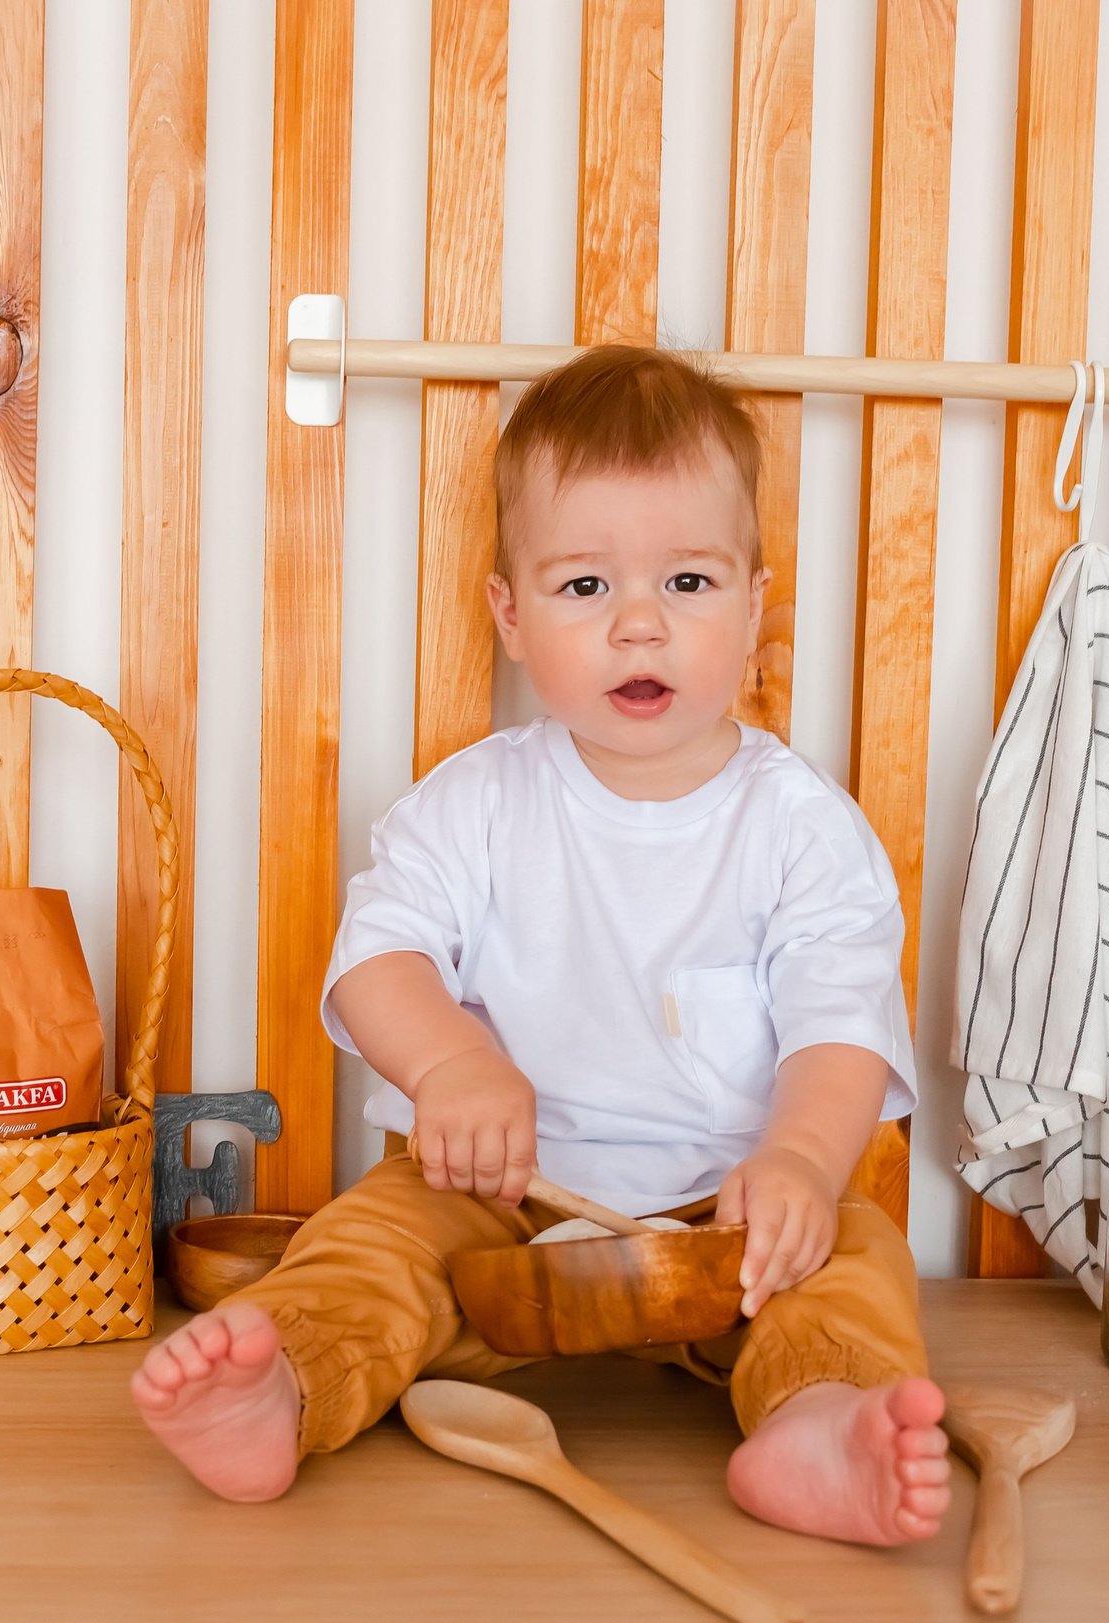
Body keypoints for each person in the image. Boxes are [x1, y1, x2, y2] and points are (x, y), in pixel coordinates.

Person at [133, 345, 949, 1546]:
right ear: (509, 614)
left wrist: (798, 1165)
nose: (637, 624)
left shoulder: (800, 827)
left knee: (859, 1255)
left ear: (756, 605)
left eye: (686, 580)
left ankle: (816, 1420)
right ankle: (285, 1380)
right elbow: (378, 958)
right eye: (582, 588)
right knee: (366, 1238)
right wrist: (453, 1066)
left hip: (726, 1226)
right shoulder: (475, 803)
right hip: (498, 1206)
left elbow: (839, 1026)